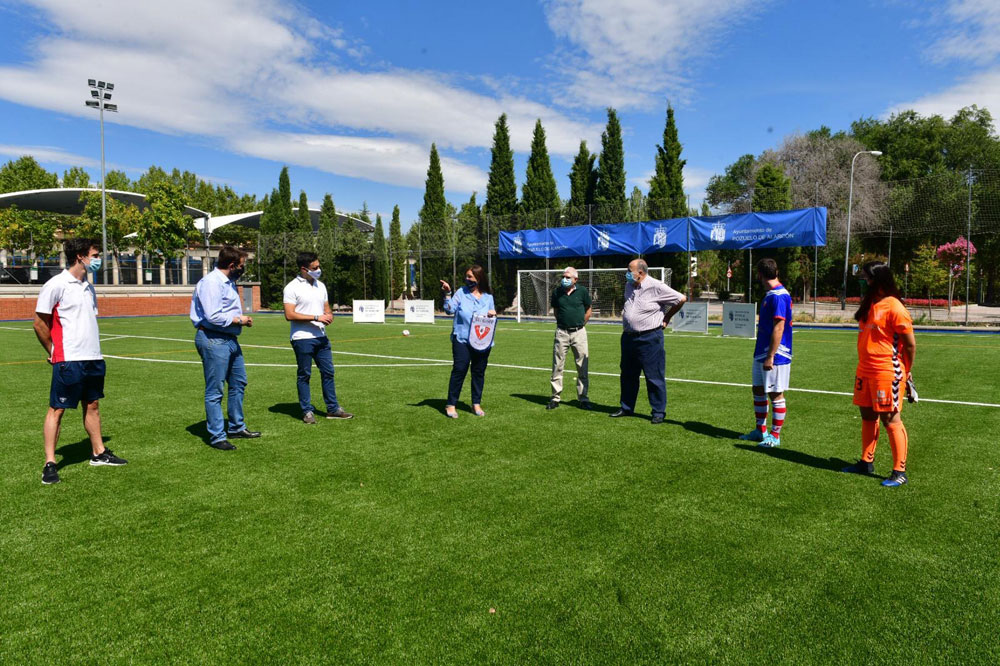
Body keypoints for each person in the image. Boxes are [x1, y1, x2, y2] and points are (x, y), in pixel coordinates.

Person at [33, 238, 128, 484]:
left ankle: (98, 452)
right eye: (95, 255)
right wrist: (53, 350)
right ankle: (50, 463)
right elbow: (39, 323)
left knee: (93, 404)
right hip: (69, 359)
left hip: (93, 357)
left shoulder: (89, 286)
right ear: (80, 257)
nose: (98, 260)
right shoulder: (56, 285)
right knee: (57, 409)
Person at [842, 261, 916, 487]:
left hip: (887, 371)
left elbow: (910, 345)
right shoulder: (869, 303)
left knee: (890, 418)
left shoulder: (895, 307)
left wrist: (907, 371)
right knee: (867, 415)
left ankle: (899, 471)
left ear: (877, 280)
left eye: (864, 278)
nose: (862, 282)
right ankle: (866, 461)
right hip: (865, 369)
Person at [190, 245, 260, 450]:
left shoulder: (228, 282)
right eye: (241, 265)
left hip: (229, 339)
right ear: (231, 265)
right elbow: (213, 315)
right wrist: (239, 319)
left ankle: (237, 427)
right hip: (213, 339)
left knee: (239, 382)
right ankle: (217, 436)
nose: (242, 268)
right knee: (215, 390)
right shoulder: (212, 283)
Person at [612, 258, 686, 424]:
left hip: (650, 338)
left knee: (654, 376)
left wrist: (666, 317)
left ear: (640, 272)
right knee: (628, 375)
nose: (627, 274)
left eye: (630, 270)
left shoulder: (656, 286)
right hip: (629, 337)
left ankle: (658, 412)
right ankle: (626, 407)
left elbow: (681, 298)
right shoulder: (629, 285)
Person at [283, 251, 353, 424]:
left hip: (321, 337)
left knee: (328, 372)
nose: (319, 269)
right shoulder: (291, 287)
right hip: (302, 338)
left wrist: (328, 316)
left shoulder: (320, 286)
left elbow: (326, 308)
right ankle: (307, 411)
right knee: (304, 374)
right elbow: (289, 314)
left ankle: (333, 409)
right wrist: (316, 317)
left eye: (319, 266)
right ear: (304, 269)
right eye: (315, 267)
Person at [739, 258, 793, 447]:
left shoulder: (779, 295)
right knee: (758, 390)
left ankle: (775, 436)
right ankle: (760, 430)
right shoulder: (772, 294)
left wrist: (771, 355)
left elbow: (779, 328)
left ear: (760, 274)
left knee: (776, 394)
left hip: (776, 355)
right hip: (762, 352)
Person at [440, 265, 496, 418]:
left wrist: (492, 314)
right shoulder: (461, 293)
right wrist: (447, 293)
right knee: (459, 370)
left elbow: (491, 317)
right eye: (466, 276)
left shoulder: (488, 298)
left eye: (470, 277)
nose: (467, 279)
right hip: (462, 339)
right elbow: (449, 310)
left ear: (479, 278)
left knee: (478, 372)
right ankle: (451, 404)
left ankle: (476, 404)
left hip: (482, 341)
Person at [548, 266, 592, 410]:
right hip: (562, 332)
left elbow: (588, 310)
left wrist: (579, 325)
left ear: (575, 279)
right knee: (557, 365)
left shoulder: (583, 292)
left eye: (568, 277)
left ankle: (583, 398)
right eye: (563, 277)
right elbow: (556, 311)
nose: (565, 279)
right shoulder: (557, 292)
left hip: (579, 333)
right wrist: (563, 324)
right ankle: (555, 398)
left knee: (582, 367)